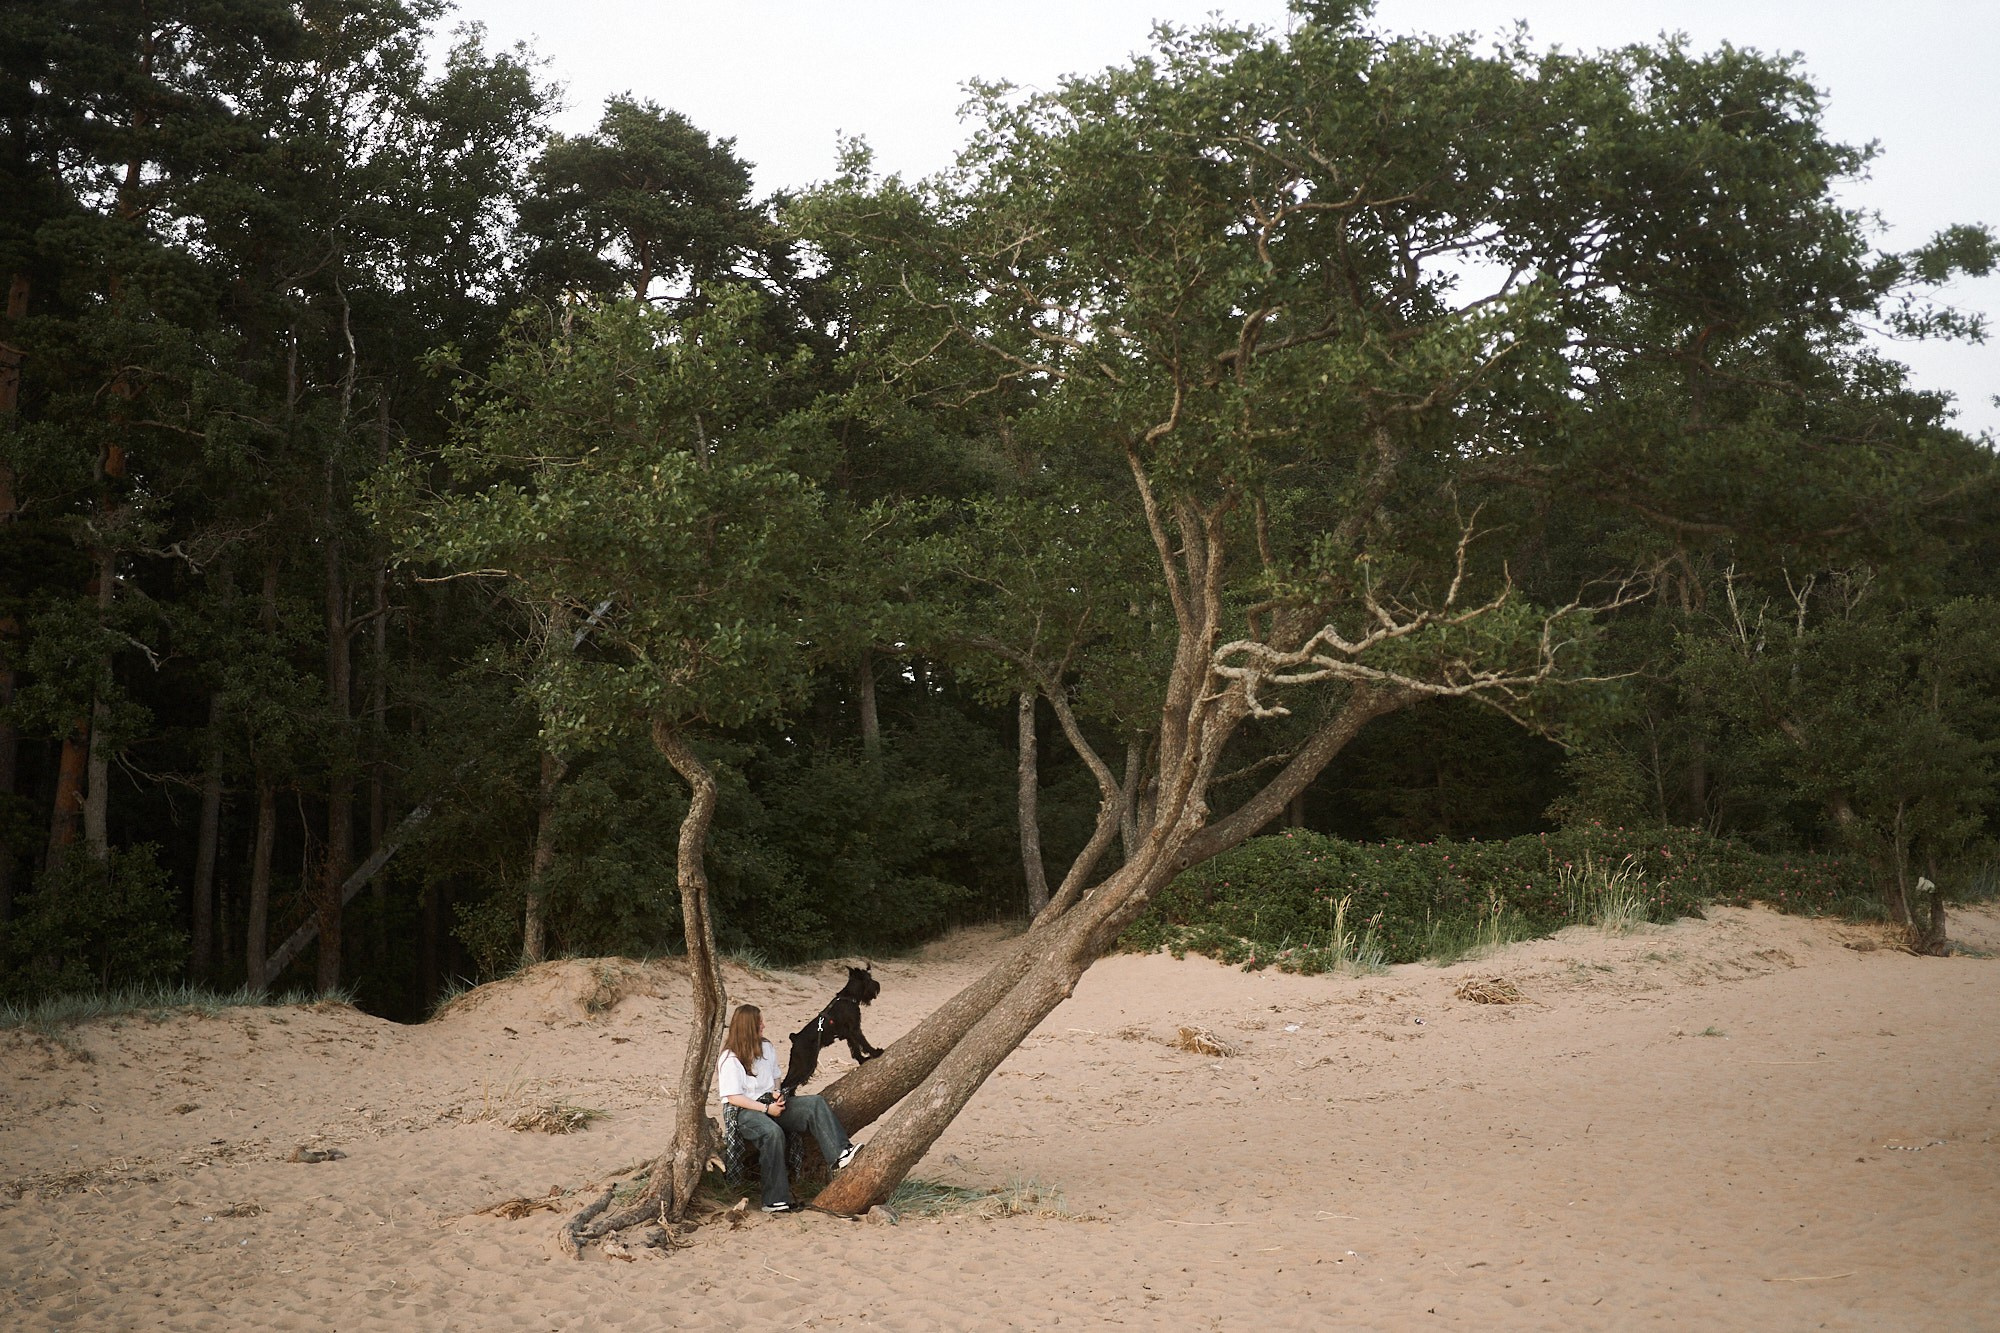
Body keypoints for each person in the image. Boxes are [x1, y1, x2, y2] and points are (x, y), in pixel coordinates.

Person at [717, 1003, 859, 1213]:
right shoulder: (730, 1058)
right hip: (744, 1112)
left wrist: (776, 1094)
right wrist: (766, 1110)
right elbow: (733, 1097)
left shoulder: (766, 1047)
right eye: (759, 1022)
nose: (764, 1025)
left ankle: (840, 1154)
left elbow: (775, 1078)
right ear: (747, 1027)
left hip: (770, 1102)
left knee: (814, 1104)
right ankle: (773, 1200)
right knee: (772, 1132)